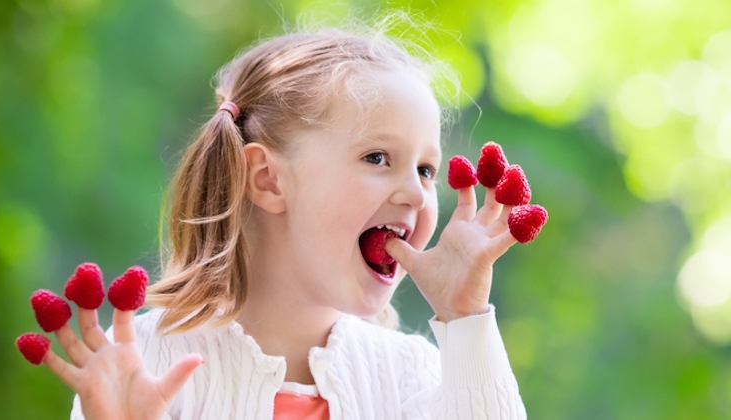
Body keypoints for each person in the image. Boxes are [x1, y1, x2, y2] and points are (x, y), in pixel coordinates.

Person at [42, 21, 528, 420]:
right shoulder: (146, 364)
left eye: (426, 169)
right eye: (378, 157)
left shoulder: (410, 376)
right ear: (269, 180)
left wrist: (465, 321)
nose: (415, 193)